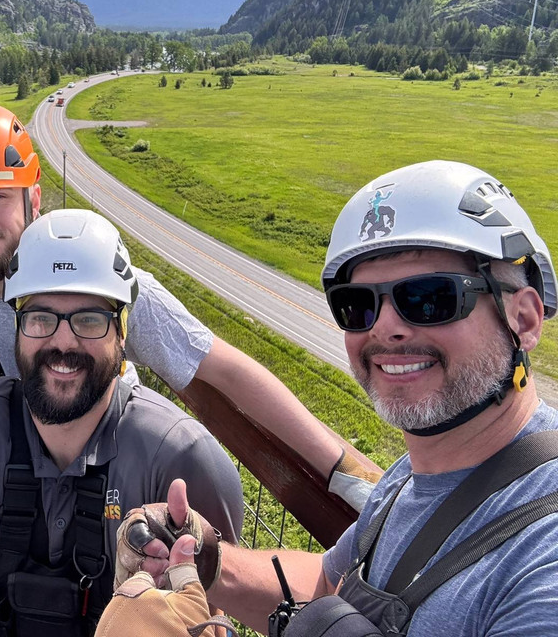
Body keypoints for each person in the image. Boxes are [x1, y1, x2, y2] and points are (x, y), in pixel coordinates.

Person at [102, 160, 558, 636]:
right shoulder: (410, 479)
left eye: (429, 298)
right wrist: (203, 555)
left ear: (523, 320)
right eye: (358, 304)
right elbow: (326, 585)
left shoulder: (542, 554)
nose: (385, 327)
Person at [0, 99, 378, 511]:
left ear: (32, 198)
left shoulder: (96, 282)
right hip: (18, 488)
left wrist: (341, 468)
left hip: (107, 488)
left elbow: (225, 369)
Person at [0, 209, 244, 637]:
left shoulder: (183, 464)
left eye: (89, 319)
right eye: (40, 317)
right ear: (17, 327)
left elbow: (211, 617)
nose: (63, 342)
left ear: (122, 333)